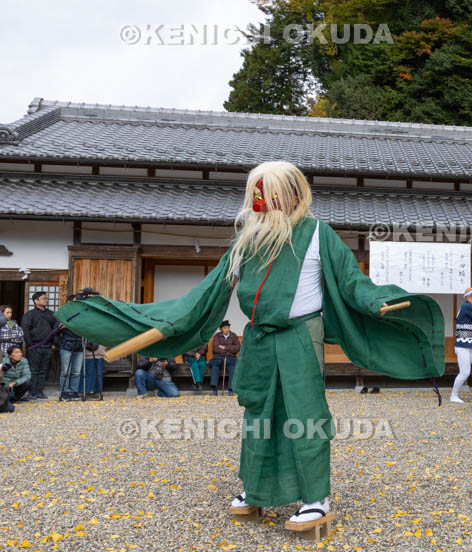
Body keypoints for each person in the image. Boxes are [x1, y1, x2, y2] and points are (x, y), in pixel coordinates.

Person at [57, 160, 443, 532]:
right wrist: (163, 323)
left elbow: (351, 281)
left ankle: (316, 497)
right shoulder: (246, 240)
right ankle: (256, 489)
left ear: (293, 195)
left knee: (304, 413)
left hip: (299, 335)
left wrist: (377, 300)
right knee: (257, 413)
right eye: (259, 195)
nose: (264, 203)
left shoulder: (318, 233)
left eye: (271, 194)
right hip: (257, 337)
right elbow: (205, 294)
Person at [22, 292, 56, 399]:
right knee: (34, 370)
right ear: (36, 301)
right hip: (34, 347)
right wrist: (30, 344)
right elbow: (25, 330)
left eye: (46, 298)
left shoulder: (51, 314)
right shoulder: (30, 314)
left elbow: (55, 330)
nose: (46, 300)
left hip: (48, 347)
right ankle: (32, 391)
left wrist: (54, 343)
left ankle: (39, 391)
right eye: (43, 298)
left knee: (43, 370)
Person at [209, 320, 240, 396]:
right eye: (225, 328)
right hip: (218, 357)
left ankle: (230, 389)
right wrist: (229, 350)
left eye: (228, 327)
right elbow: (215, 348)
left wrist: (225, 348)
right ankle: (214, 389)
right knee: (215, 366)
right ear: (221, 329)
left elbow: (237, 347)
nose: (227, 329)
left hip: (230, 357)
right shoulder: (217, 336)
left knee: (233, 368)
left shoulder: (234, 336)